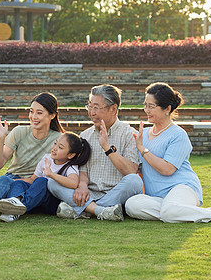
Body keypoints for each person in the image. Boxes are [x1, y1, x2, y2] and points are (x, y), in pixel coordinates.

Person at [125, 82, 211, 223]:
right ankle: (182, 212)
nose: (146, 110)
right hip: (157, 197)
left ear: (167, 108)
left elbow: (167, 169)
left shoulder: (178, 135)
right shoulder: (143, 135)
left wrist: (142, 149)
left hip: (182, 188)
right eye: (145, 105)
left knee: (169, 211)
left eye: (151, 106)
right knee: (132, 205)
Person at [48, 84, 143, 221]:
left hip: (116, 192)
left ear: (113, 109)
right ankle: (101, 211)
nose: (91, 112)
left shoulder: (129, 134)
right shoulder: (85, 135)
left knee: (134, 181)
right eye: (90, 106)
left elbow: (130, 171)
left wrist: (107, 148)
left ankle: (84, 210)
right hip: (89, 193)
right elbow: (83, 168)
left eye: (96, 108)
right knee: (52, 182)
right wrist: (82, 186)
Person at [0, 92, 64, 222]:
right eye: (31, 111)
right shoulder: (19, 132)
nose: (33, 117)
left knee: (26, 183)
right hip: (11, 180)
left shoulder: (58, 140)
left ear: (52, 115)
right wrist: (0, 139)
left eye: (39, 113)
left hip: (33, 185)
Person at [0, 132, 91, 222]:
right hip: (36, 200)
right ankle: (14, 203)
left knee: (42, 181)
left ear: (70, 155)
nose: (54, 148)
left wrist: (51, 175)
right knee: (20, 183)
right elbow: (32, 179)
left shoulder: (70, 166)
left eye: (60, 147)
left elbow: (74, 183)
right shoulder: (46, 158)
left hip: (51, 202)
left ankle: (16, 209)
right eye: (55, 143)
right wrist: (12, 181)